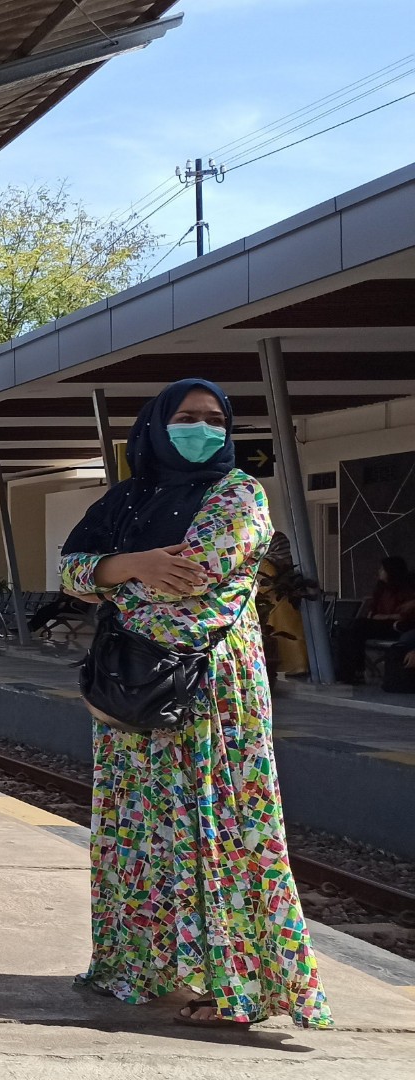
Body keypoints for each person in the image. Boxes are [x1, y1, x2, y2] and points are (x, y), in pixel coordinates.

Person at [59, 378, 330, 1029]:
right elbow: (69, 567)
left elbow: (197, 582)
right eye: (187, 416)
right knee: (141, 835)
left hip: (209, 692)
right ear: (157, 423)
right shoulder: (130, 496)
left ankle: (238, 980)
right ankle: (149, 963)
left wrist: (114, 575)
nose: (203, 427)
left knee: (219, 827)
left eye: (215, 418)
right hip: (131, 693)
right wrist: (134, 565)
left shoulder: (238, 495)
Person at [335, 555, 415, 683]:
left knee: (358, 626)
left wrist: (383, 617)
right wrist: (387, 616)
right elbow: (372, 613)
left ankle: (352, 672)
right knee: (348, 632)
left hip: (396, 627)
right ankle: (351, 672)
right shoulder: (381, 590)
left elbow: (402, 616)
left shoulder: (406, 591)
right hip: (382, 624)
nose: (379, 572)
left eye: (382, 569)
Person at [255, 531, 312, 677]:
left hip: (274, 606)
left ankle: (294, 666)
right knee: (293, 633)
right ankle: (300, 666)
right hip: (285, 603)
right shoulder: (284, 563)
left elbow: (263, 585)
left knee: (284, 637)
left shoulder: (266, 563)